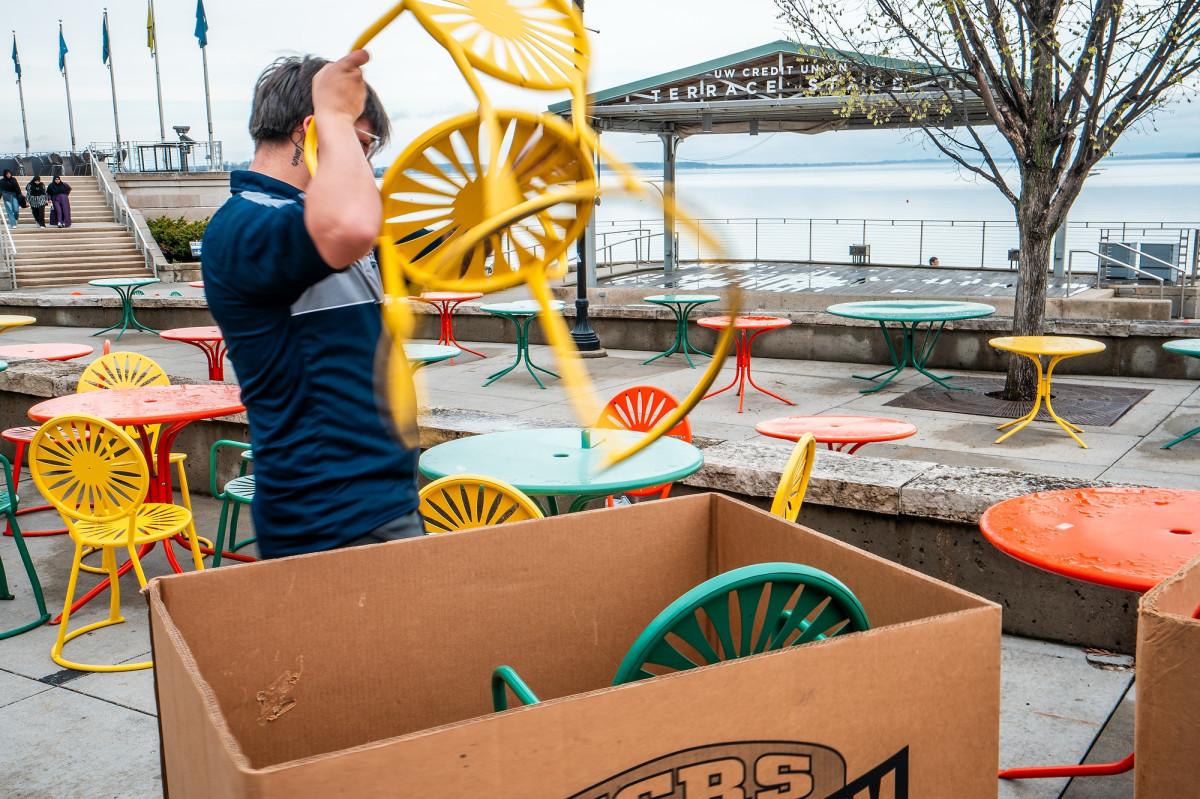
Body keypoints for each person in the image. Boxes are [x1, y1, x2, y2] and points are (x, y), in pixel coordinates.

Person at [202, 52, 423, 560]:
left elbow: (397, 256)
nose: (364, 164)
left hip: (375, 499)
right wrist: (336, 113)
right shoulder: (244, 227)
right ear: (311, 132)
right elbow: (350, 226)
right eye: (360, 144)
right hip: (333, 515)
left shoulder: (304, 223)